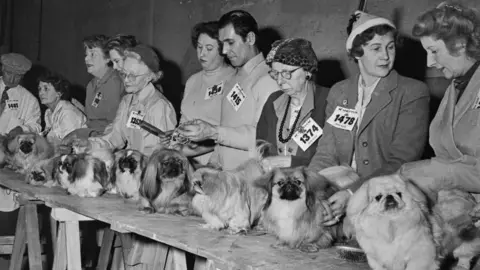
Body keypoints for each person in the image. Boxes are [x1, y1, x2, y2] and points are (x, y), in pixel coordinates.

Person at [307, 10, 430, 224]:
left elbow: (401, 161)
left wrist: (353, 194)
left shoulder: (412, 92)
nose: (385, 56)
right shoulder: (339, 92)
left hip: (385, 196)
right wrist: (310, 190)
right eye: (376, 48)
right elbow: (326, 153)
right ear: (356, 53)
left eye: (390, 47)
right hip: (338, 191)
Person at [175, 10, 278, 170]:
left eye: (230, 43)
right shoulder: (232, 79)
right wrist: (212, 165)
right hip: (226, 179)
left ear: (250, 38)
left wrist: (212, 132)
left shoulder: (268, 79)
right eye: (222, 44)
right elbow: (225, 132)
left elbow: (262, 137)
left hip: (251, 180)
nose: (224, 51)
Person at [399, 2, 480, 203]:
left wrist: (439, 173)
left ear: (460, 44)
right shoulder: (455, 86)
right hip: (456, 204)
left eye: (434, 51)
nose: (429, 62)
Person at [73, 44, 176, 156]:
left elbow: (164, 152)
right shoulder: (127, 101)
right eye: (123, 74)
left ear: (149, 77)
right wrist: (90, 145)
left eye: (132, 76)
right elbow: (115, 137)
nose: (126, 80)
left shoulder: (159, 106)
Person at [256, 38, 329, 168]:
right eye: (275, 74)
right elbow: (261, 144)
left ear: (307, 70)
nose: (279, 81)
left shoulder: (329, 100)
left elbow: (333, 157)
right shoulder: (273, 101)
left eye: (286, 73)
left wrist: (289, 162)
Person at [177, 21, 235, 165]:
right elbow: (183, 121)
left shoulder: (234, 79)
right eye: (199, 47)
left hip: (217, 164)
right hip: (185, 160)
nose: (202, 53)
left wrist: (187, 151)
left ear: (223, 50)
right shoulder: (192, 81)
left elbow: (231, 132)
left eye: (209, 48)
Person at [66, 34, 124, 140]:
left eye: (93, 54)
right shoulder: (91, 85)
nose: (86, 59)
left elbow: (113, 126)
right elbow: (91, 120)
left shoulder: (114, 83)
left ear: (107, 58)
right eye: (86, 55)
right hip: (91, 136)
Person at [38, 71, 87, 146]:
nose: (41, 93)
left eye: (46, 88)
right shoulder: (48, 112)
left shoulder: (68, 112)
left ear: (59, 93)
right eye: (39, 89)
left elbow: (70, 146)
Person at [0, 53, 41, 137]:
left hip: (8, 145)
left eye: (17, 76)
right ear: (2, 69)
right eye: (9, 73)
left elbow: (36, 126)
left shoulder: (30, 100)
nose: (12, 80)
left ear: (23, 76)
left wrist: (22, 129)